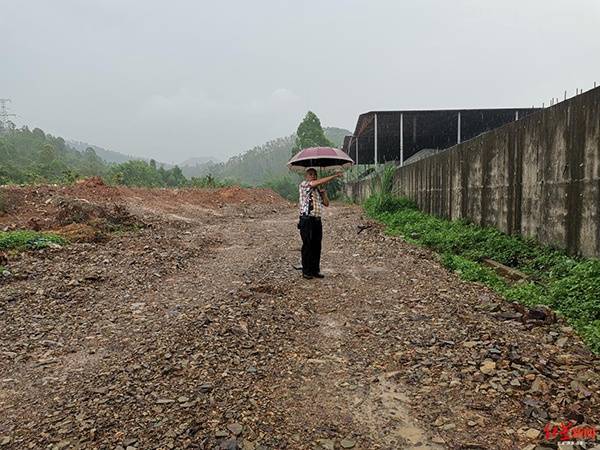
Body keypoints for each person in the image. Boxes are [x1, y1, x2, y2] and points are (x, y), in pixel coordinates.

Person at [297, 168, 344, 279]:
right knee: (307, 245)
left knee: (316, 245)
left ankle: (315, 270)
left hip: (317, 220)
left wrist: (324, 194)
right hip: (306, 219)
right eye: (311, 174)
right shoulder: (304, 185)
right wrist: (334, 176)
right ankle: (306, 270)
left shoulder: (317, 190)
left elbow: (326, 204)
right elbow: (314, 183)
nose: (313, 176)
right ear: (306, 176)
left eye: (315, 175)